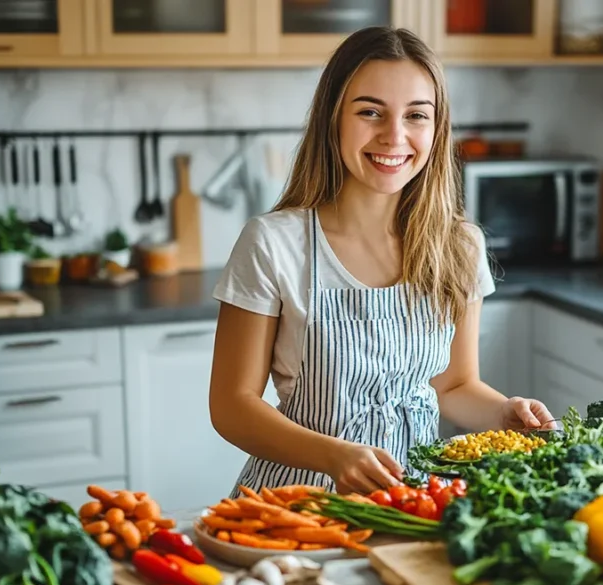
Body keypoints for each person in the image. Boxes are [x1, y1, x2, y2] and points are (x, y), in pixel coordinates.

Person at [208, 26, 556, 496]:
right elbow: (232, 405)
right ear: (334, 119)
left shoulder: (459, 246)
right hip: (298, 506)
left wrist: (504, 413)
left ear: (437, 128)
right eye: (370, 112)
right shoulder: (274, 244)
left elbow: (453, 385)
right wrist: (335, 456)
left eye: (416, 115)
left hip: (412, 502)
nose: (394, 136)